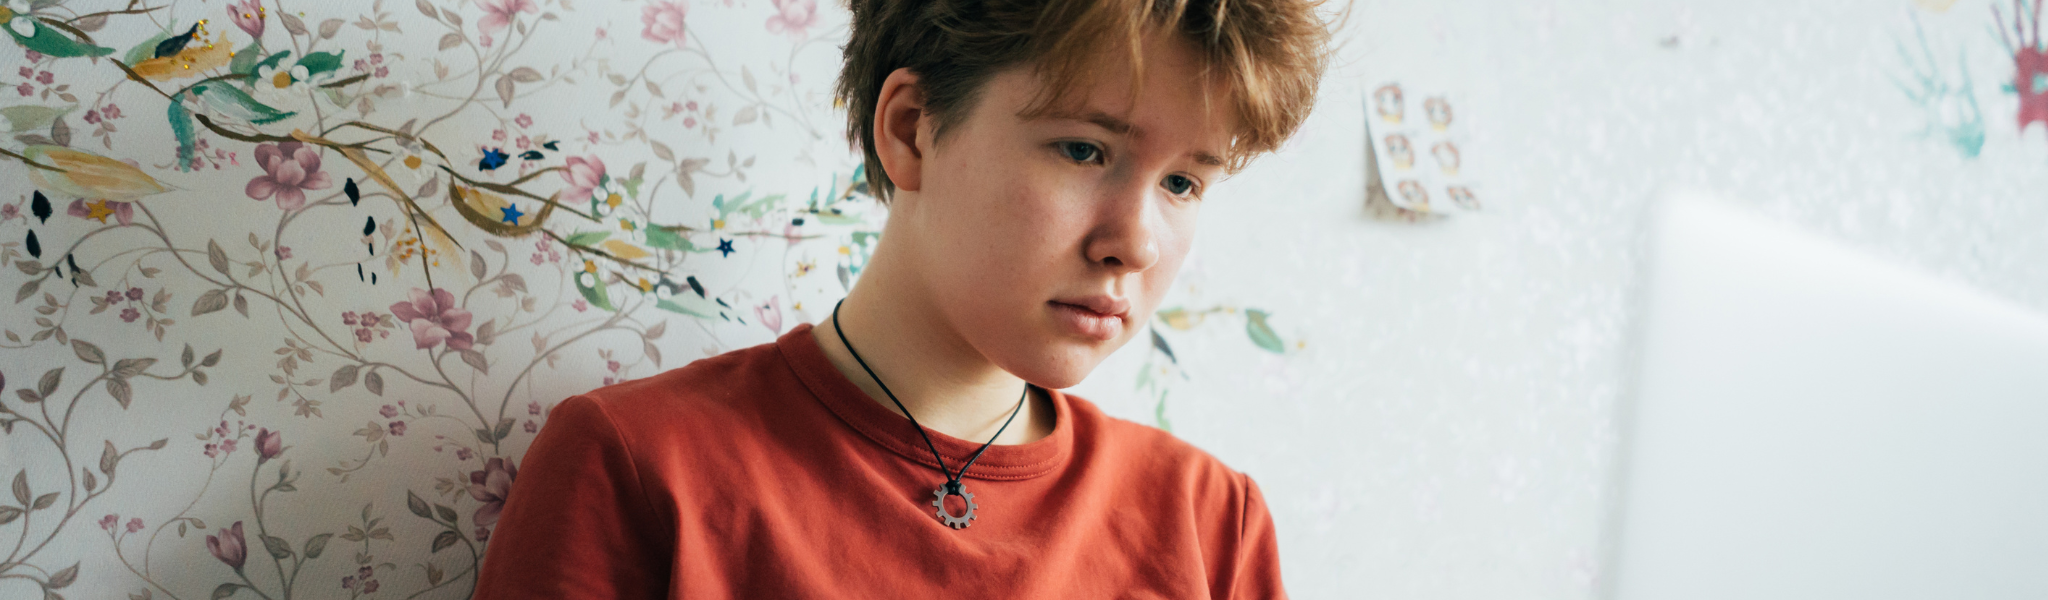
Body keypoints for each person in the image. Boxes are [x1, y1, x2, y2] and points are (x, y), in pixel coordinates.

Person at [472, 0, 1330, 596]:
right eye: (1082, 150)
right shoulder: (636, 467)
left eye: (1183, 182)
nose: (1135, 244)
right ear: (911, 128)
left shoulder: (1209, 520)